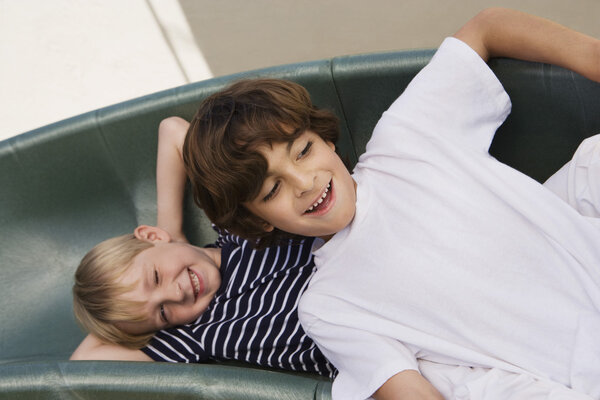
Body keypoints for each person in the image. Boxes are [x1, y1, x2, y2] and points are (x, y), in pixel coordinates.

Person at [180, 8, 600, 400]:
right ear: (258, 220)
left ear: (326, 139)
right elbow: (408, 390)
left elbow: (487, 27)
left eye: (303, 150)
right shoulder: (328, 305)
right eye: (271, 191)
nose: (304, 183)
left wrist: (591, 56)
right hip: (569, 372)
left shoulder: (405, 140)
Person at [70, 118, 335, 378]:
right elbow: (80, 366)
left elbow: (172, 130)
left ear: (152, 235)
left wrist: (171, 232)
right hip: (365, 349)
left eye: (156, 277)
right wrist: (122, 313)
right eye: (163, 312)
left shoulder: (237, 224)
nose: (176, 294)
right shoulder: (200, 330)